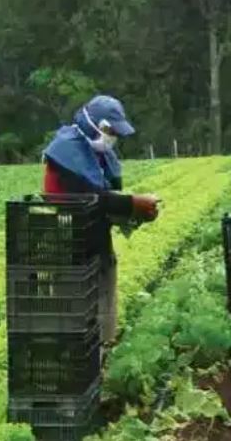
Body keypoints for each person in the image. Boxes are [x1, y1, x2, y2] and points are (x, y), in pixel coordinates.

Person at [42, 95, 160, 344]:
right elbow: (88, 197)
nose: (112, 137)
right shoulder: (66, 151)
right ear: (90, 123)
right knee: (77, 323)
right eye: (109, 130)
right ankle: (84, 368)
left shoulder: (97, 152)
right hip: (71, 246)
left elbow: (105, 198)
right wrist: (131, 203)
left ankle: (99, 362)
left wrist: (135, 212)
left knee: (102, 316)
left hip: (97, 243)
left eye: (115, 132)